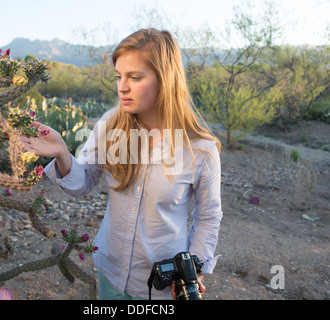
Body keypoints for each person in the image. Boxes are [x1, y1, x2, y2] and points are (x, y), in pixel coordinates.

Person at [20, 28, 223, 300]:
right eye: (119, 76)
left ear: (165, 79)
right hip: (111, 275)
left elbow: (208, 217)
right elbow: (82, 181)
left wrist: (192, 271)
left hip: (162, 287)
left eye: (135, 77)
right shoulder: (109, 125)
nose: (122, 87)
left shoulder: (199, 148)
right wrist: (61, 153)